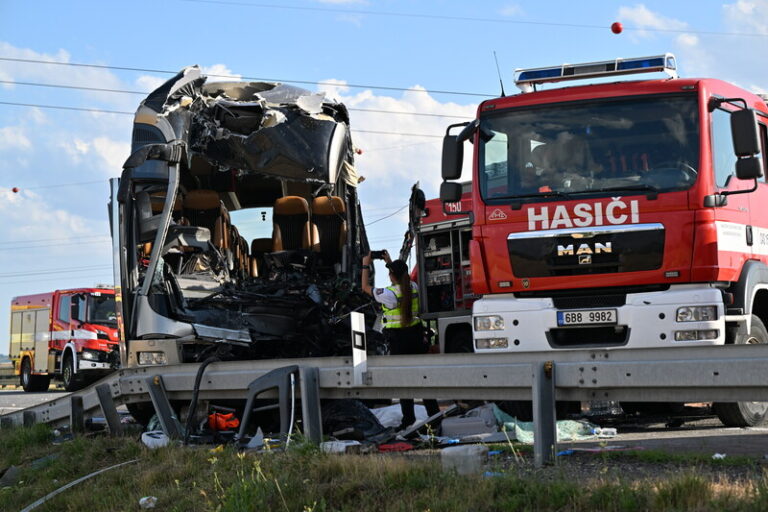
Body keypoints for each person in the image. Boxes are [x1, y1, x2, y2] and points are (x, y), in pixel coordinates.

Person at [361, 250, 440, 431]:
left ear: (391, 276)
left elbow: (365, 287)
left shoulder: (389, 294)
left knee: (404, 380)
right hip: (416, 336)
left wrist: (366, 264)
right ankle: (434, 415)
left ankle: (408, 420)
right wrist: (388, 261)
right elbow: (398, 274)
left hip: (398, 340)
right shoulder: (413, 286)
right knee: (423, 377)